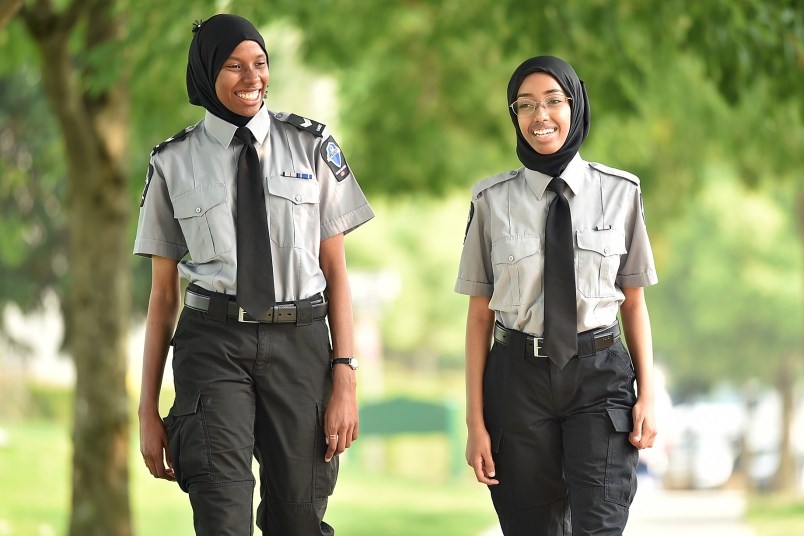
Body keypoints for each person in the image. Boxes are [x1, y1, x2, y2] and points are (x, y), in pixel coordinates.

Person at [134, 14, 373, 535]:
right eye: (234, 66)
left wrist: (345, 375)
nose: (252, 78)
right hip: (212, 344)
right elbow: (162, 296)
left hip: (301, 342)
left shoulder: (311, 145)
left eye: (260, 64)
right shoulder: (172, 162)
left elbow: (336, 270)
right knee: (221, 518)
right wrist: (148, 410)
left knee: (299, 518)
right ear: (205, 75)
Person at [455, 55, 658, 535]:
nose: (539, 116)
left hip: (599, 377)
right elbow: (479, 317)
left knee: (600, 525)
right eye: (525, 105)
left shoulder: (621, 193)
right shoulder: (491, 201)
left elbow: (634, 303)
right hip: (517, 382)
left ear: (576, 105)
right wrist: (475, 422)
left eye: (552, 101)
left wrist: (649, 395)